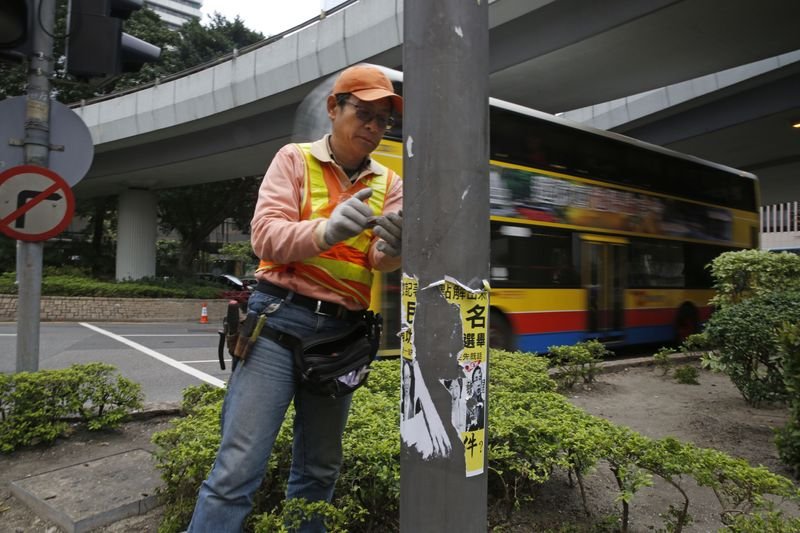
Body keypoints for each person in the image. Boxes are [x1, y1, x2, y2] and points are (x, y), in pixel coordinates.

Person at [188, 64, 404, 533]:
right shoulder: (294, 160)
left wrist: (396, 247)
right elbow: (265, 237)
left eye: (383, 120)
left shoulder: (390, 184)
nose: (373, 127)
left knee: (320, 469)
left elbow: (378, 259)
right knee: (237, 469)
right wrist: (326, 231)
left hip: (342, 336)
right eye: (364, 113)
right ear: (334, 108)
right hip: (277, 323)